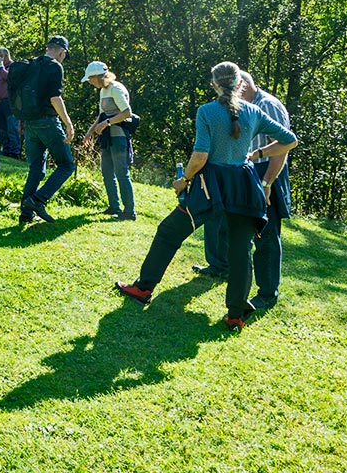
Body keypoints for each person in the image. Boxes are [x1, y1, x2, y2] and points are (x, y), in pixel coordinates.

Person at [116, 62, 297, 331]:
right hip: (244, 185)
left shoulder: (207, 111)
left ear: (214, 84)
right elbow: (289, 140)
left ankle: (143, 289)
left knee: (168, 232)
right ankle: (235, 315)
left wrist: (184, 180)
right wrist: (254, 155)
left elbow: (200, 156)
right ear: (240, 85)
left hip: (210, 184)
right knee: (240, 250)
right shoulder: (254, 111)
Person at [193, 71, 292, 310]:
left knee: (265, 234)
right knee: (225, 224)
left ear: (243, 85)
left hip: (266, 173)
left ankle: (267, 293)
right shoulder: (235, 105)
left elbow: (283, 148)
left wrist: (267, 183)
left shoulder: (267, 105)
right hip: (240, 172)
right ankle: (220, 266)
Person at [19, 36, 76, 224]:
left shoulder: (32, 64)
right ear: (62, 51)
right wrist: (68, 123)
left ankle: (26, 213)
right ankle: (37, 200)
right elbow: (55, 98)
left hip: (30, 122)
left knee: (36, 168)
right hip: (48, 122)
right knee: (67, 165)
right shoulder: (55, 66)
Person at [80, 61, 136, 221]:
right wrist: (90, 132)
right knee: (106, 172)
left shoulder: (116, 89)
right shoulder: (103, 91)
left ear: (98, 77)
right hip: (107, 138)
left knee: (121, 173)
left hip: (118, 137)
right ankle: (114, 206)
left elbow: (127, 113)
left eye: (90, 79)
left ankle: (129, 211)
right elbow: (101, 115)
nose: (90, 83)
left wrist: (107, 123)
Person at [0, 46, 21, 158]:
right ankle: (6, 149)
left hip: (11, 103)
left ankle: (14, 152)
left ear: (5, 55)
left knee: (11, 127)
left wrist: (0, 66)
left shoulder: (13, 67)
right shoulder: (2, 68)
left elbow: (8, 78)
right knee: (3, 128)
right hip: (2, 102)